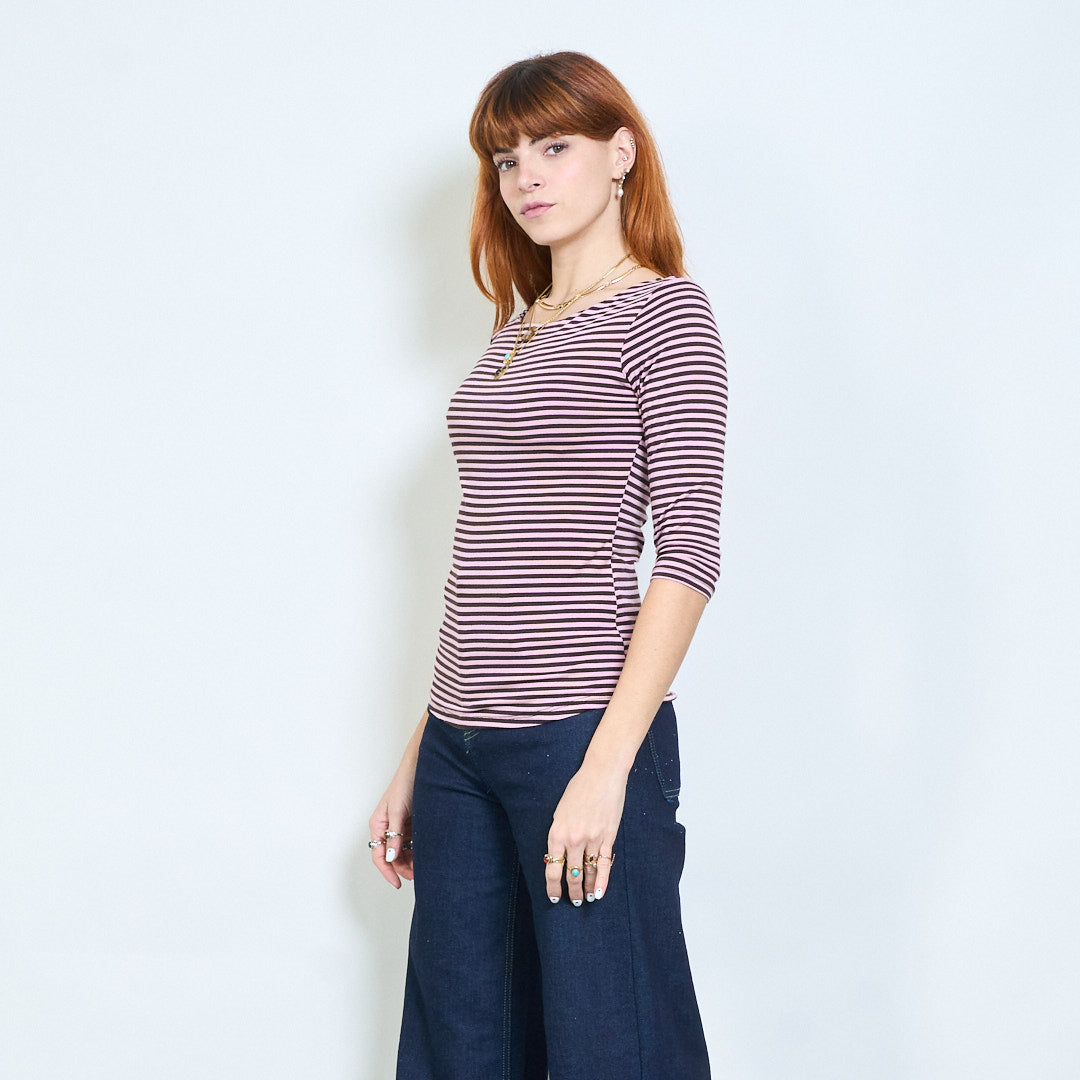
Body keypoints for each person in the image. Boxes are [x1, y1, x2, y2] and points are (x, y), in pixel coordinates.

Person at [368, 51, 727, 1080]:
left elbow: (689, 553)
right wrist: (422, 750)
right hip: (460, 750)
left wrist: (606, 770)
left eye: (554, 146)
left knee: (615, 1046)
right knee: (462, 1051)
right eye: (505, 157)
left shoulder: (666, 315)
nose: (525, 175)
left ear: (621, 154)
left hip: (578, 733)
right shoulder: (514, 334)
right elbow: (492, 558)